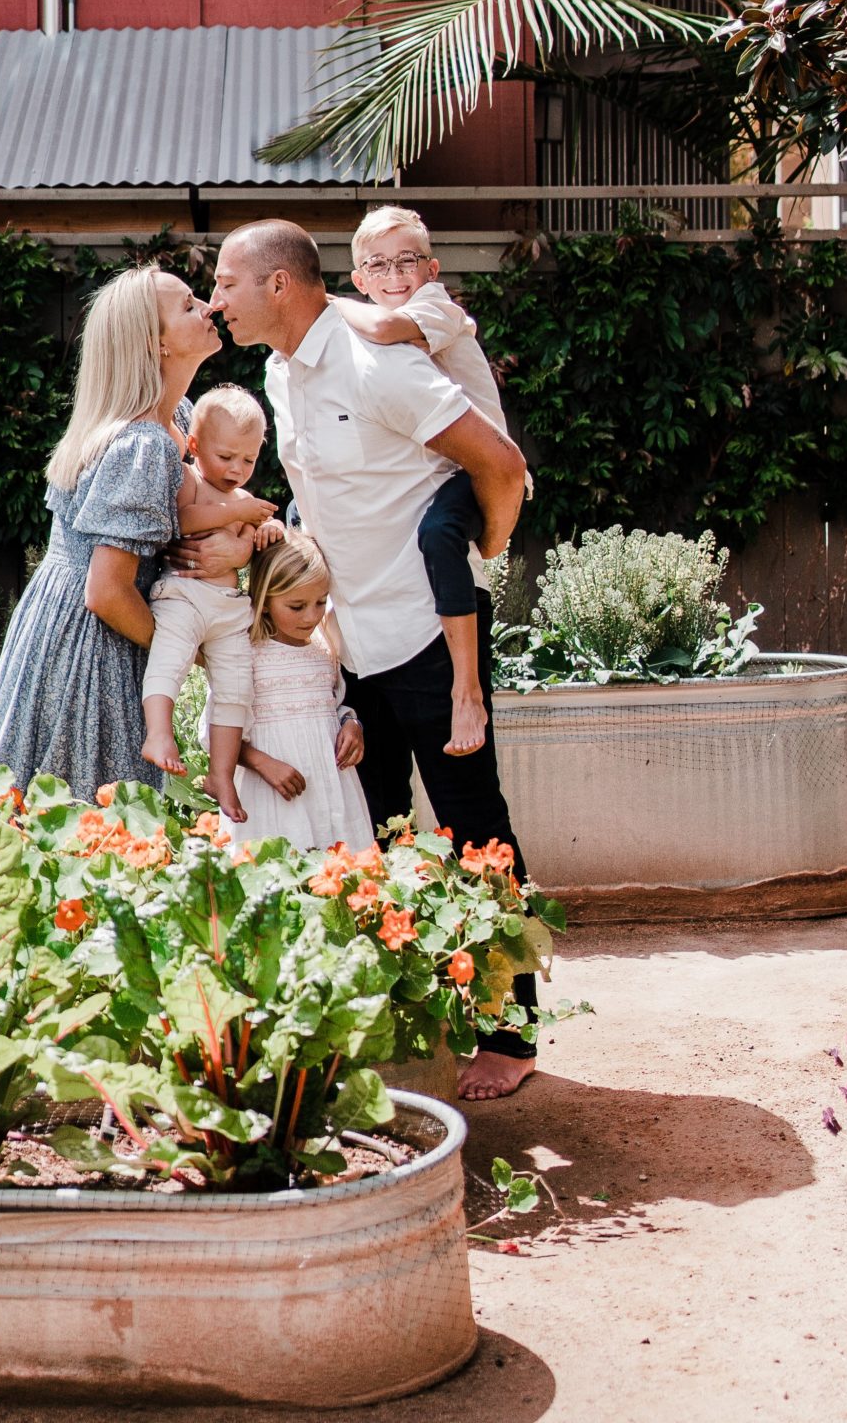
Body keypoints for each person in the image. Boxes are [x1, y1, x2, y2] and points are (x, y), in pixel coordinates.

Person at [206, 218, 538, 1102]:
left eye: (227, 283)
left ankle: (513, 1034)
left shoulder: (378, 364)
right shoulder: (278, 374)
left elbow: (499, 464)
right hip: (346, 653)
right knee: (374, 838)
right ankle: (394, 1028)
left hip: (428, 640)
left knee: (475, 834)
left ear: (278, 285)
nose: (217, 301)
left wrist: (485, 550)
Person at [0, 264, 231, 803]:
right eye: (188, 306)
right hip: (89, 645)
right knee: (88, 820)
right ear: (154, 344)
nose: (209, 307)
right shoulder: (142, 443)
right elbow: (108, 591)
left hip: (60, 620)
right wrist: (188, 653)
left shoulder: (176, 420)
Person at [334, 204, 509, 759]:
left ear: (432, 270)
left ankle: (467, 692)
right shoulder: (363, 328)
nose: (394, 277)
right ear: (361, 278)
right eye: (378, 267)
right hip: (441, 474)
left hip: (476, 470)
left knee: (437, 535)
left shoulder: (434, 308)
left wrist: (325, 304)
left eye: (407, 261)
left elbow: (385, 327)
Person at [139, 382, 281, 820]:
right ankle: (158, 733)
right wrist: (236, 513)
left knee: (237, 687)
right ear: (196, 445)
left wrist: (266, 533)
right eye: (226, 457)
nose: (237, 469)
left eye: (249, 460)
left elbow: (253, 541)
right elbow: (179, 521)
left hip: (227, 606)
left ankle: (221, 774)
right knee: (171, 659)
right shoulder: (189, 479)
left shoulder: (245, 500)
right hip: (183, 593)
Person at [227, 535, 373, 854]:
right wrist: (263, 763)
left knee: (338, 875)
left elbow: (338, 706)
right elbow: (214, 730)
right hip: (272, 792)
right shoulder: (245, 652)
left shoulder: (325, 647)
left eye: (320, 602)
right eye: (297, 606)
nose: (311, 616)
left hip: (331, 788)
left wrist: (352, 725)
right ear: (265, 600)